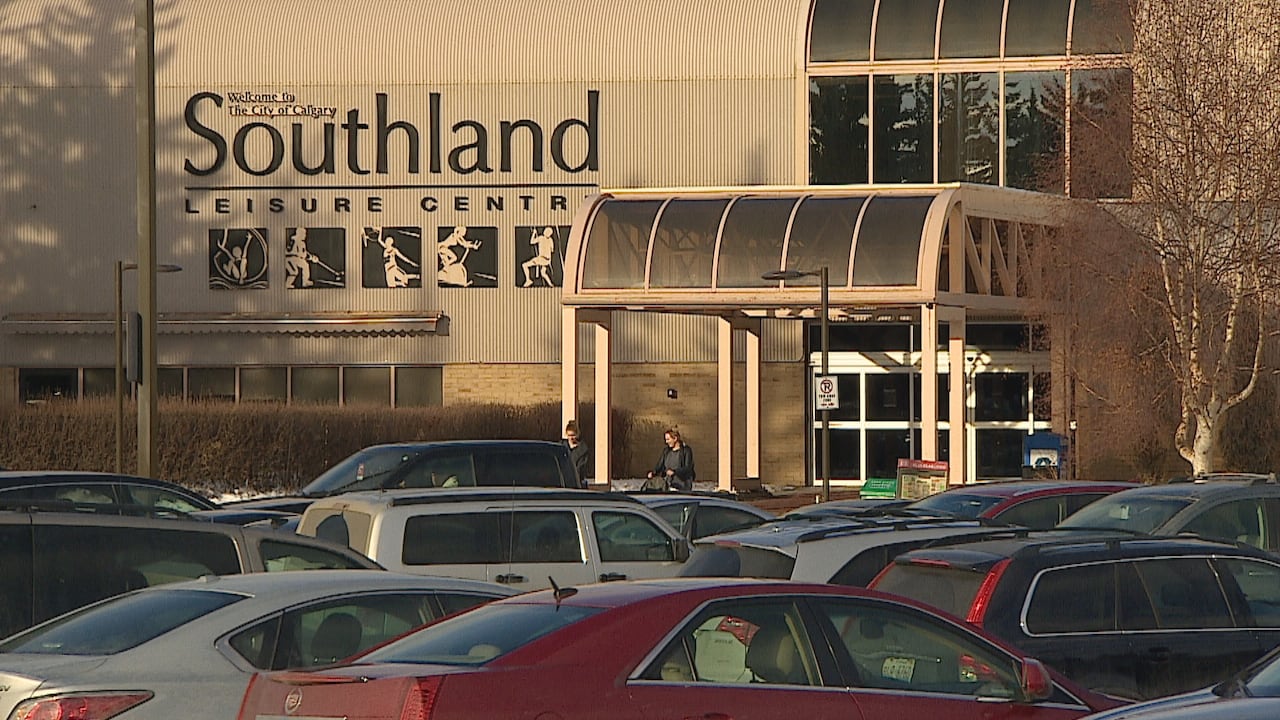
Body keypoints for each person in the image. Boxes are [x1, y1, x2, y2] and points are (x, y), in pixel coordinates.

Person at [563, 420, 590, 488]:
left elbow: (581, 469)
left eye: (573, 435)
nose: (571, 438)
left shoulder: (583, 450)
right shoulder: (562, 447)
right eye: (569, 435)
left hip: (577, 482)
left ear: (577, 434)